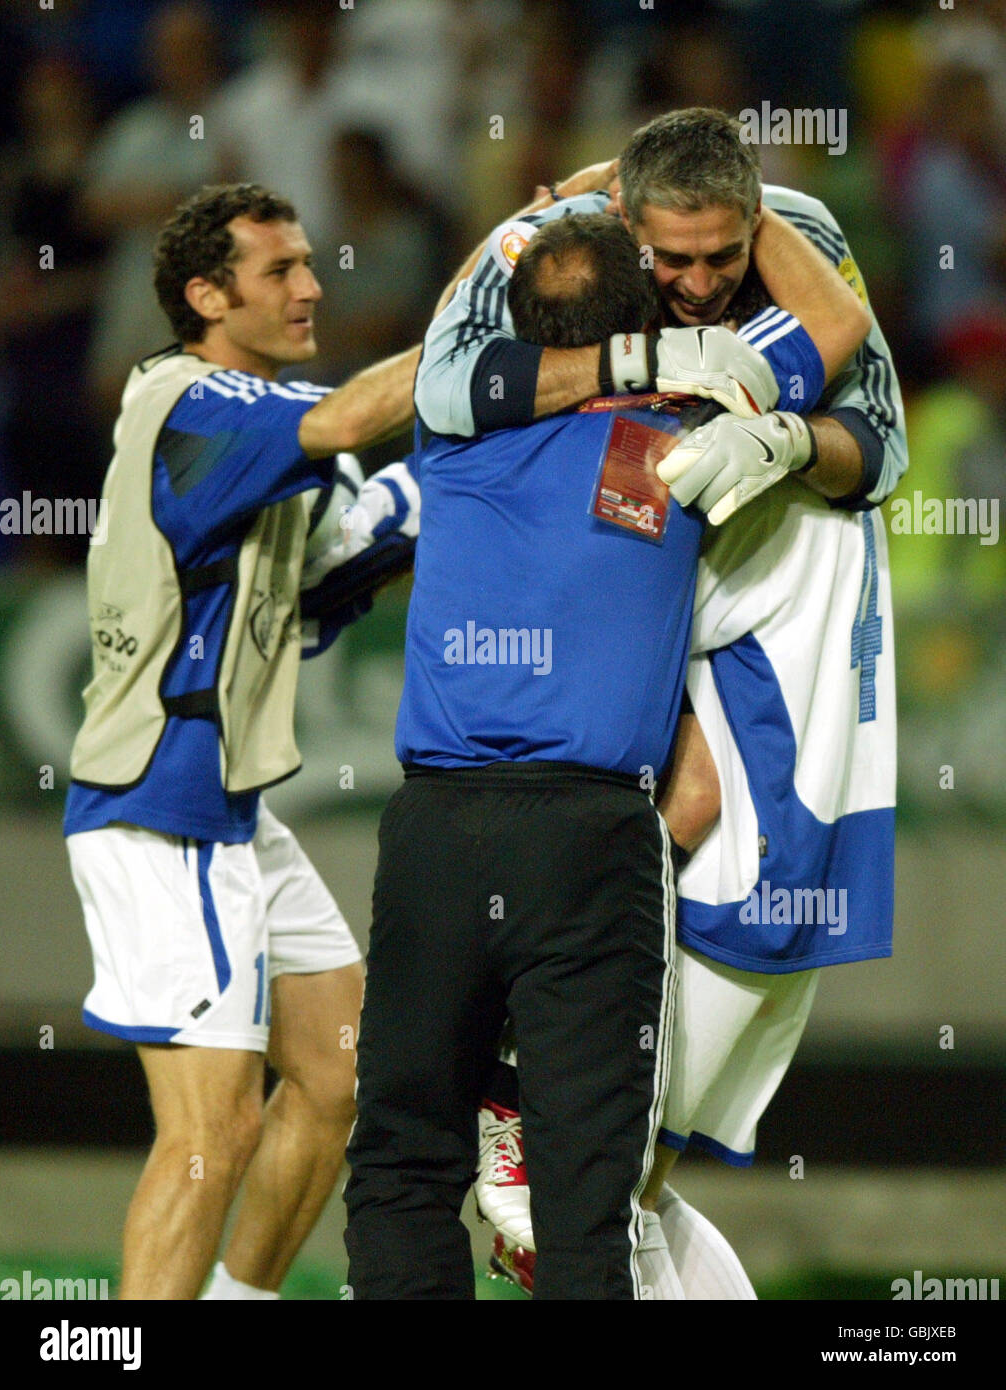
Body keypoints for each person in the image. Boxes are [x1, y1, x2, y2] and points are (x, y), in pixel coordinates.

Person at [416, 108, 905, 1296]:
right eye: (667, 261)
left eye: (716, 262)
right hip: (655, 645)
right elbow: (441, 387)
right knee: (599, 1171)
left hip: (767, 662)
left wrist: (787, 439)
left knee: (633, 1168)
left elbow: (877, 437)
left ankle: (521, 1076)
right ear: (625, 224)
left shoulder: (799, 235)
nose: (692, 286)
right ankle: (515, 1067)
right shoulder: (547, 243)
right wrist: (646, 366)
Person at [344, 213, 712, 1302]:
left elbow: (455, 322)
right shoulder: (680, 439)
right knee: (582, 1193)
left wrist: (538, 212)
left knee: (404, 1162)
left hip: (435, 835)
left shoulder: (448, 435)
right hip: (589, 840)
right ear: (640, 317)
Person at [63, 182, 420, 1301]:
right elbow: (355, 418)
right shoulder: (201, 402)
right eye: (281, 272)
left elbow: (313, 588)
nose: (313, 286)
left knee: (334, 1064)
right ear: (207, 297)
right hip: (160, 812)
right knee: (208, 1131)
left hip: (224, 809)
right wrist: (491, 301)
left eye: (309, 262)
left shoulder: (246, 425)